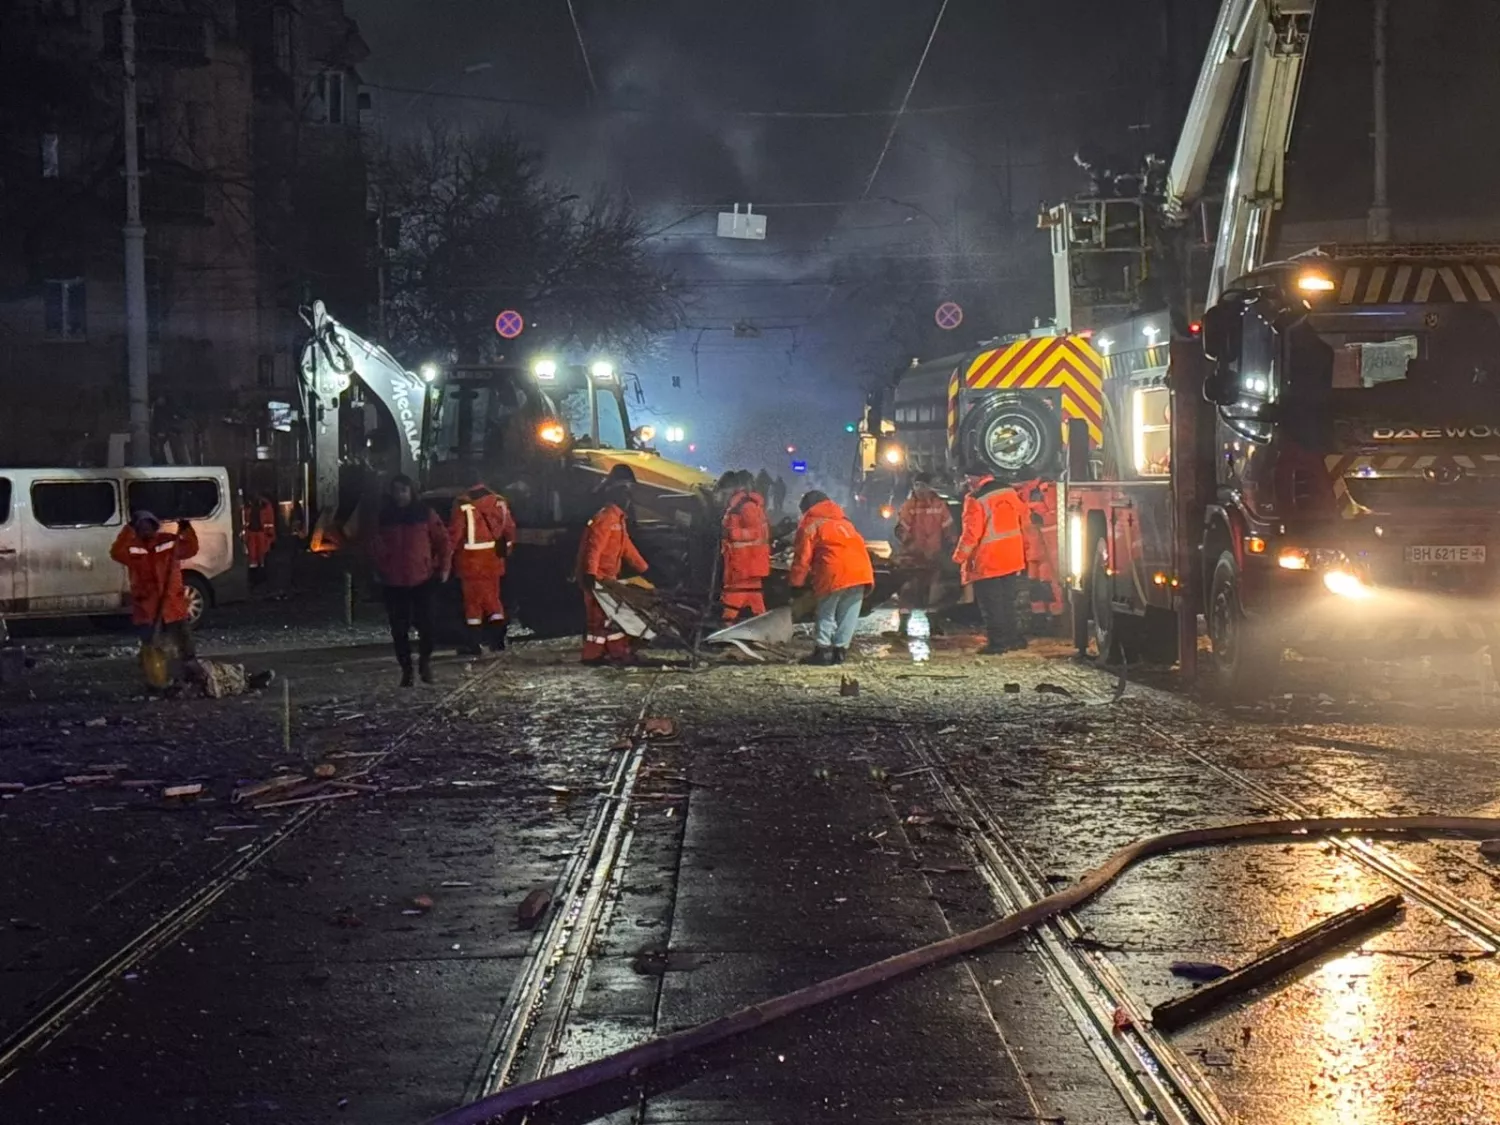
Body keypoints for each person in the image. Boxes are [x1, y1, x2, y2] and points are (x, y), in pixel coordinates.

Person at [370, 475, 451, 686]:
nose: (400, 495)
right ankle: (407, 670)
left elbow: (443, 542)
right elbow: (375, 544)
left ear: (410, 491)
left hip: (422, 579)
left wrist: (443, 568)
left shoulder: (425, 514)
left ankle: (424, 662)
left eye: (403, 490)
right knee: (399, 630)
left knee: (428, 627)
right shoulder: (385, 516)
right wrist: (381, 567)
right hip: (394, 582)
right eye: (396, 490)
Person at [789, 490, 875, 666]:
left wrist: (795, 583)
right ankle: (840, 651)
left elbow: (802, 556)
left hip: (833, 570)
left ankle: (822, 651)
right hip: (861, 570)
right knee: (848, 613)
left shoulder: (810, 522)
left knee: (826, 611)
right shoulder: (844, 521)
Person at [110, 510, 200, 674]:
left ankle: (190, 670)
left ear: (154, 526)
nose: (145, 529)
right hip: (147, 607)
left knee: (183, 642)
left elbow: (191, 548)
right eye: (141, 526)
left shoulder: (169, 541)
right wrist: (127, 530)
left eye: (148, 525)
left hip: (172, 603)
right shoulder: (133, 547)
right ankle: (155, 675)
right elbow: (116, 552)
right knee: (151, 645)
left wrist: (187, 530)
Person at [953, 471, 1029, 655]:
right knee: (1008, 602)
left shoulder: (975, 499)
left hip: (989, 560)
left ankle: (998, 643)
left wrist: (958, 558)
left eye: (968, 477)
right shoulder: (1009, 491)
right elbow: (1023, 516)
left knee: (992, 605)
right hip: (1012, 556)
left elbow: (971, 534)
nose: (967, 481)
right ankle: (1013, 640)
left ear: (976, 477)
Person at [577, 469, 649, 664]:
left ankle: (614, 652)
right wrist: (591, 573)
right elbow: (594, 547)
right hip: (598, 577)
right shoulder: (606, 517)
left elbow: (626, 548)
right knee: (599, 618)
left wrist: (645, 569)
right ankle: (593, 655)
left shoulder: (618, 519)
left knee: (610, 616)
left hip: (607, 577)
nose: (628, 498)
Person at [448, 479, 517, 655]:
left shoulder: (462, 505)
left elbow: (455, 535)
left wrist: (444, 557)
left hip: (470, 562)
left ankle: (473, 643)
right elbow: (510, 530)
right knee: (493, 600)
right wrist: (505, 551)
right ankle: (498, 640)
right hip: (493, 561)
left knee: (473, 604)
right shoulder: (499, 503)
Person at [892, 473, 953, 636]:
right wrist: (909, 545)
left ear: (929, 487)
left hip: (933, 555)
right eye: (916, 485)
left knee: (934, 591)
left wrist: (950, 547)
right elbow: (901, 529)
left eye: (922, 485)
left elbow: (949, 530)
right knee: (908, 590)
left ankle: (933, 626)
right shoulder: (909, 505)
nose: (919, 489)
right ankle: (903, 627)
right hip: (913, 556)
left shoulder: (939, 505)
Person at [719, 470, 771, 622]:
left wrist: (732, 534)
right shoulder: (741, 506)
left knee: (735, 594)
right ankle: (762, 625)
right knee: (754, 596)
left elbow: (756, 532)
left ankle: (726, 624)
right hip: (748, 562)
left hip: (745, 563)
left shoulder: (746, 507)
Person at [242, 492, 277, 583]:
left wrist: (271, 535)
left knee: (262, 555)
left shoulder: (265, 506)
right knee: (253, 556)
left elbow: (270, 522)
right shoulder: (247, 506)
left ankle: (261, 577)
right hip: (252, 533)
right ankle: (255, 577)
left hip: (261, 533)